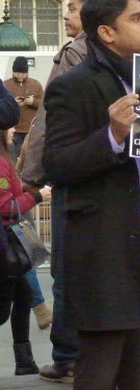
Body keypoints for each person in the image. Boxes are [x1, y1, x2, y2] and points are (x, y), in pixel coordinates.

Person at [43, 0, 140, 389]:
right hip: (110, 244)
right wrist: (113, 135)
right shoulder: (75, 85)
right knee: (102, 364)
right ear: (107, 33)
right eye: (137, 18)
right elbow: (57, 163)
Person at [21, 0, 96, 384]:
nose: (67, 15)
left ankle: (67, 356)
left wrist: (31, 176)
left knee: (66, 269)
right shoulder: (110, 55)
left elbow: (49, 120)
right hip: (98, 175)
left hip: (72, 175)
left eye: (72, 8)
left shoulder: (74, 54)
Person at [0, 127, 51, 375]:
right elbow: (6, 207)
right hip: (5, 244)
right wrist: (38, 197)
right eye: (8, 126)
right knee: (3, 310)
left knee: (24, 297)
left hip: (10, 243)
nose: (13, 130)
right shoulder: (1, 164)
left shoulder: (5, 160)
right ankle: (24, 361)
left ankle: (24, 362)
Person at [4, 57, 43, 162]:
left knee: (29, 159)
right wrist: (13, 103)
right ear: (13, 71)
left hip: (30, 130)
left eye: (23, 73)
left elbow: (44, 103)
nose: (20, 76)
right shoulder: (5, 85)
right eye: (17, 73)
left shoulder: (35, 85)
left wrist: (33, 101)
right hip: (13, 130)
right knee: (13, 159)